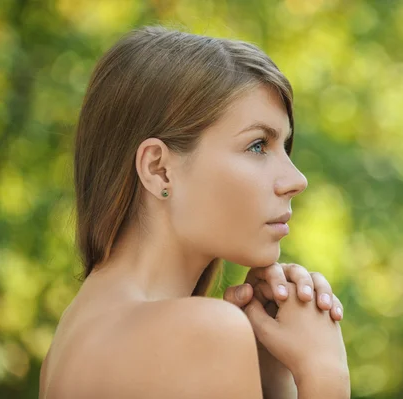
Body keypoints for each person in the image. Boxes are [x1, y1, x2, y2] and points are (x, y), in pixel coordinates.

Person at [39, 25, 350, 399]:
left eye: (284, 146)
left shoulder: (71, 338)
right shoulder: (205, 331)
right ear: (158, 169)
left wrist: (273, 381)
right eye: (257, 146)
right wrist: (324, 375)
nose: (296, 179)